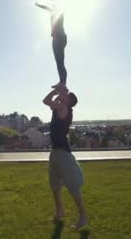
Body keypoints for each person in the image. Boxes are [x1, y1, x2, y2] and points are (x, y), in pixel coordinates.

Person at [43, 84, 87, 229]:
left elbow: (49, 101)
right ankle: (60, 211)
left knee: (72, 186)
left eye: (66, 96)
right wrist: (58, 91)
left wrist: (58, 91)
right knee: (54, 185)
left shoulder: (64, 108)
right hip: (55, 151)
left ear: (68, 102)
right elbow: (46, 100)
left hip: (62, 152)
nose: (63, 96)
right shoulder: (59, 106)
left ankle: (83, 216)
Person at [34, 0, 67, 89]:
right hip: (56, 37)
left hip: (59, 37)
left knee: (60, 62)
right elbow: (46, 7)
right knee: (59, 62)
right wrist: (39, 5)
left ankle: (63, 82)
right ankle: (61, 82)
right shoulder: (53, 10)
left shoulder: (60, 8)